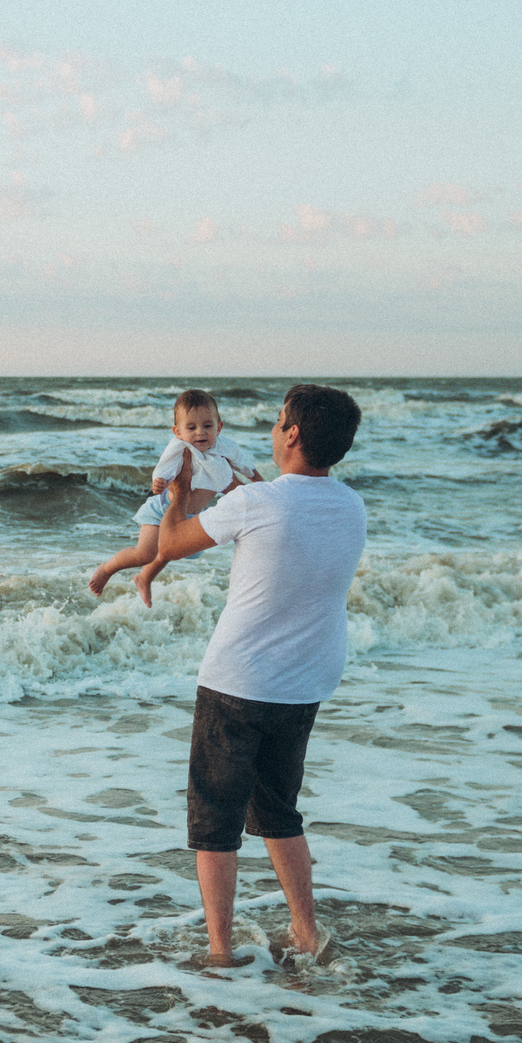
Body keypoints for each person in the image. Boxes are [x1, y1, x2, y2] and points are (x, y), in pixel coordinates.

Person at [151, 383, 366, 968]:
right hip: (305, 681)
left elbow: (172, 542)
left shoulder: (258, 502)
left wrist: (179, 492)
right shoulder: (351, 505)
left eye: (277, 422)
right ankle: (305, 931)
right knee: (278, 811)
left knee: (215, 820)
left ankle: (220, 951)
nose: (271, 431)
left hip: (239, 680)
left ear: (292, 435)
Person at [87, 389, 262, 604]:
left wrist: (261, 483)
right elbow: (165, 468)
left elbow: (245, 465)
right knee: (145, 554)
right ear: (178, 432)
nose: (200, 433)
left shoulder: (225, 449)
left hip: (192, 515)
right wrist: (160, 480)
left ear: (219, 426)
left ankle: (144, 577)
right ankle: (106, 569)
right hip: (162, 509)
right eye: (191, 427)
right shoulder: (180, 448)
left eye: (208, 426)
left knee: (170, 551)